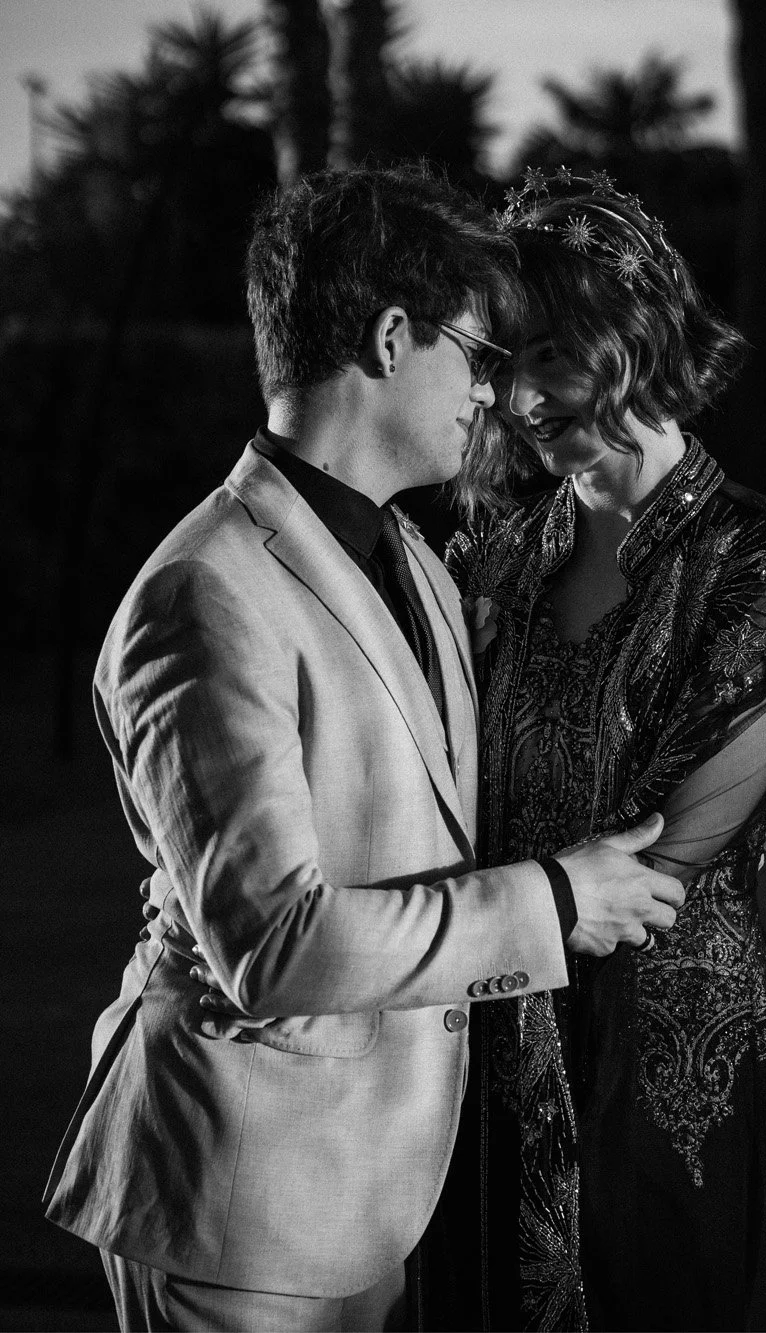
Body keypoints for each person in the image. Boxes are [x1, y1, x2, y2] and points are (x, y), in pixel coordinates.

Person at [43, 165, 689, 1332]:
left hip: (374, 1190)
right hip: (238, 1197)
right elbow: (273, 940)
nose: (492, 395)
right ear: (393, 339)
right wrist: (551, 905)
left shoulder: (421, 568)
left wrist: (682, 799)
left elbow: (443, 811)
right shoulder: (205, 591)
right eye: (478, 355)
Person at [424, 170, 766, 1331]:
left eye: (546, 352)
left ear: (633, 331)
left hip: (663, 1043)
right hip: (477, 1020)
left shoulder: (762, 557)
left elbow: (671, 846)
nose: (516, 397)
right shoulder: (490, 560)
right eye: (497, 365)